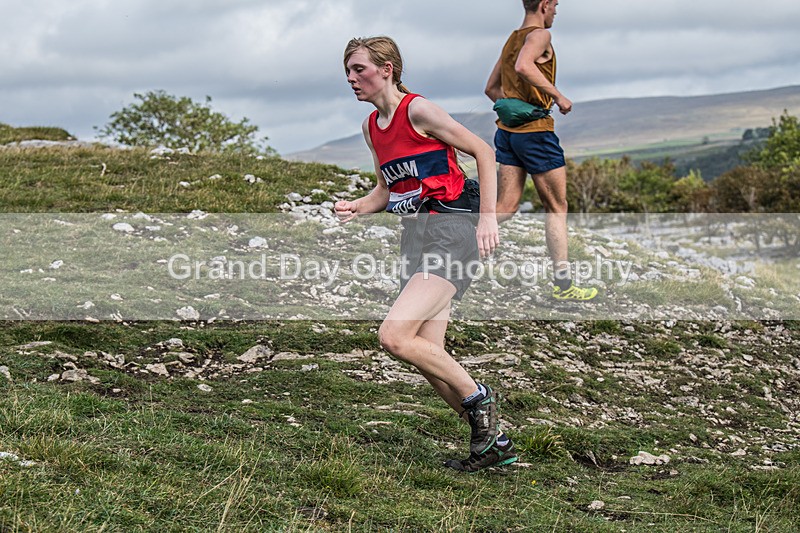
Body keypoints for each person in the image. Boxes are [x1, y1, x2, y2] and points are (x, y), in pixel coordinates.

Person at [335, 36, 517, 472]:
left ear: (387, 69)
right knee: (427, 354)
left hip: (451, 231)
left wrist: (488, 217)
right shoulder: (370, 128)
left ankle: (481, 400)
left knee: (394, 336)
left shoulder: (417, 110)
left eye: (359, 69)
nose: (351, 78)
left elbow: (483, 150)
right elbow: (388, 188)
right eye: (348, 71)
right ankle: (493, 443)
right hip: (414, 239)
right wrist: (359, 206)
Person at [485, 0, 599, 301]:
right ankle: (564, 287)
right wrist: (557, 97)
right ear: (545, 4)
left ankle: (450, 234)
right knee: (557, 206)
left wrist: (513, 108)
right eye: (556, 4)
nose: (557, 12)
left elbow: (491, 89)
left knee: (506, 208)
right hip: (536, 134)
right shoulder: (539, 36)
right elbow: (524, 66)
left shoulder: (512, 38)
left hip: (506, 133)